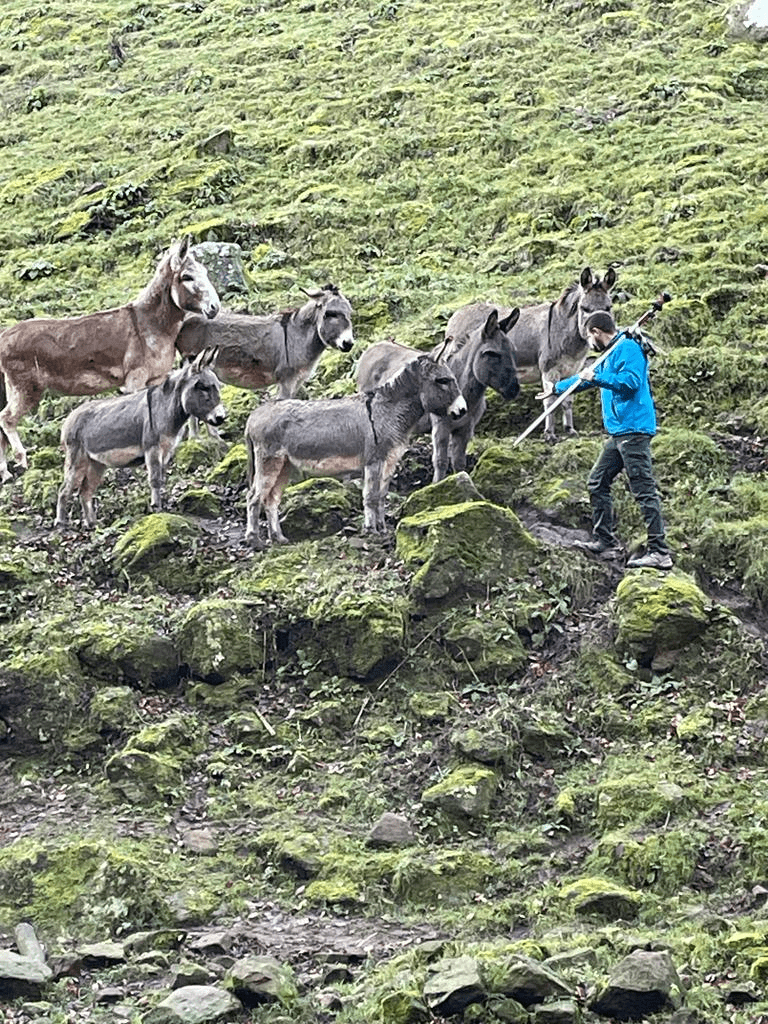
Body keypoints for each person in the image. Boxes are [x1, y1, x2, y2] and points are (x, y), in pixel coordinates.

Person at [541, 310, 673, 569]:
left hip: (633, 429)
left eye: (590, 337)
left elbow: (631, 383)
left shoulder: (628, 349)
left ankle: (660, 552)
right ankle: (606, 541)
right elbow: (586, 379)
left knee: (643, 489)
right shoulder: (610, 352)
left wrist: (599, 377)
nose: (590, 342)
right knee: (597, 481)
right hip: (619, 432)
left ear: (596, 333)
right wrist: (555, 388)